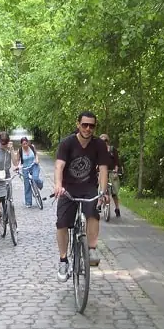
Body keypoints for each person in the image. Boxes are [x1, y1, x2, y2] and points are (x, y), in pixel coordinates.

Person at [53, 111, 109, 280]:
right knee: (62, 223)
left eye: (91, 125)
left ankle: (91, 249)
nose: (88, 128)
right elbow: (59, 166)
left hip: (88, 187)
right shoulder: (67, 143)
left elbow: (104, 169)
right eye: (84, 124)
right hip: (68, 189)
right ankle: (63, 260)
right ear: (78, 124)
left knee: (93, 212)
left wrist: (103, 191)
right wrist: (58, 186)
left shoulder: (99, 144)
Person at [0, 131, 19, 240]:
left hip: (6, 177)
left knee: (10, 202)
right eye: (2, 143)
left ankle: (13, 223)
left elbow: (15, 163)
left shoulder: (9, 150)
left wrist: (11, 150)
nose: (4, 145)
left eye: (5, 143)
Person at [99, 134, 121, 218]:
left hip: (111, 172)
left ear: (108, 141)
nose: (104, 142)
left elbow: (116, 162)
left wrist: (116, 171)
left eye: (105, 141)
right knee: (100, 188)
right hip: (102, 172)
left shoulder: (112, 150)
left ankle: (117, 208)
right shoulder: (99, 150)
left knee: (114, 192)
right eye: (102, 141)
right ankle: (99, 204)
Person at [18, 136, 43, 208]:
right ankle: (28, 202)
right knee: (27, 185)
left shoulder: (32, 147)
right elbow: (18, 160)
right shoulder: (20, 151)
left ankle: (40, 184)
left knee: (35, 178)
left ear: (28, 142)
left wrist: (37, 160)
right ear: (21, 144)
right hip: (25, 168)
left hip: (34, 165)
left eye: (26, 143)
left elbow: (36, 154)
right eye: (23, 144)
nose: (25, 145)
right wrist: (17, 167)